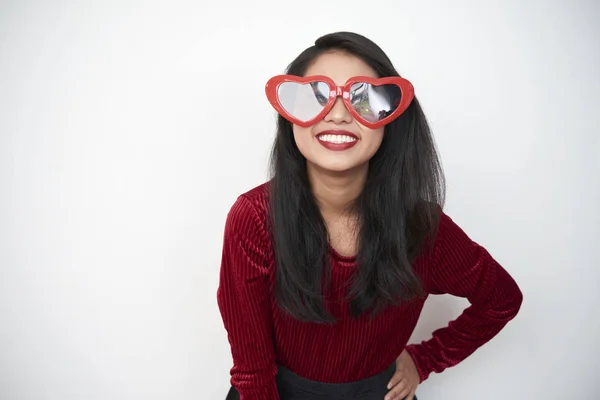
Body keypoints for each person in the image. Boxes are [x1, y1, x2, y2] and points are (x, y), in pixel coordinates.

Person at [217, 31, 523, 400]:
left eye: (365, 99)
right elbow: (252, 372)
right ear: (290, 116)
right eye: (316, 96)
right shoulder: (253, 218)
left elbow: (501, 299)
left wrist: (424, 360)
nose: (340, 114)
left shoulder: (422, 227)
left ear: (390, 117)